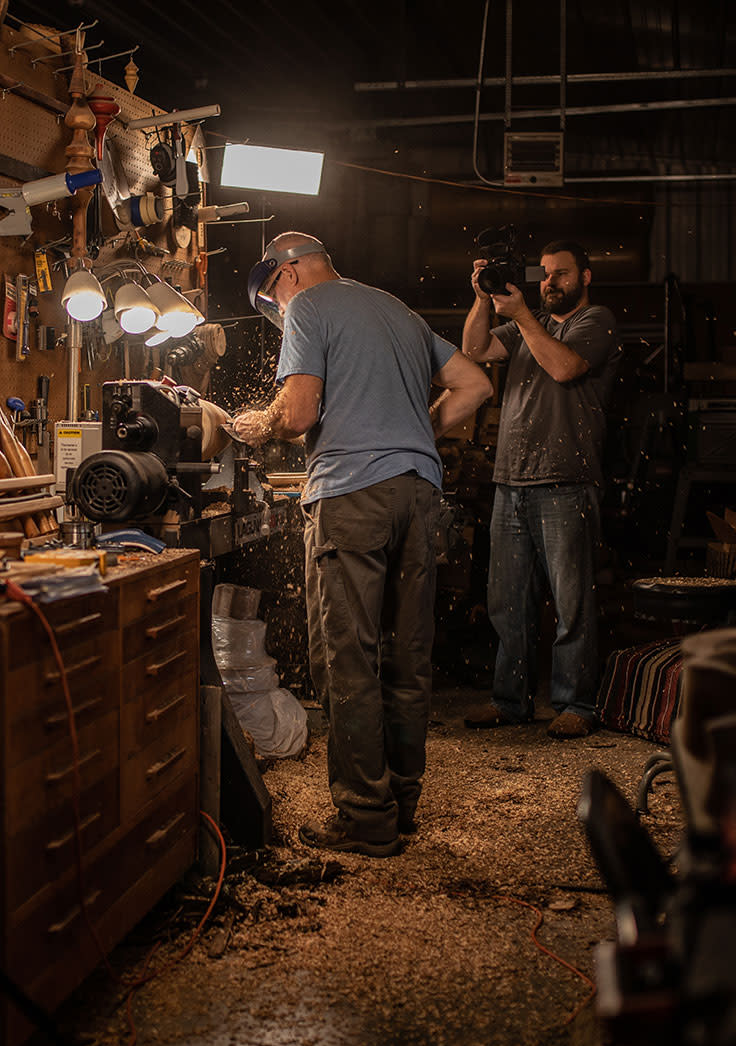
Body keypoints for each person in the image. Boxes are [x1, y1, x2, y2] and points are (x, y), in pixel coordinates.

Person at [228, 232, 494, 856]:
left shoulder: (308, 309)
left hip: (352, 496)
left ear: (287, 272)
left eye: (273, 297)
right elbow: (475, 385)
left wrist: (251, 425)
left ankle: (363, 816)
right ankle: (400, 803)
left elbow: (295, 415)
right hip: (418, 493)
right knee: (407, 655)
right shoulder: (396, 310)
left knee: (346, 657)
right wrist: (408, 434)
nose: (277, 310)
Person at [459, 240, 619, 739]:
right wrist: (483, 299)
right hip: (511, 479)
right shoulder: (531, 325)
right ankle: (511, 701)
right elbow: (475, 349)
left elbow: (564, 368)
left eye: (561, 274)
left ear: (585, 277)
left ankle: (577, 704)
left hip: (566, 481)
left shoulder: (596, 322)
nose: (551, 282)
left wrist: (525, 313)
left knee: (571, 602)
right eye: (545, 274)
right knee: (508, 601)